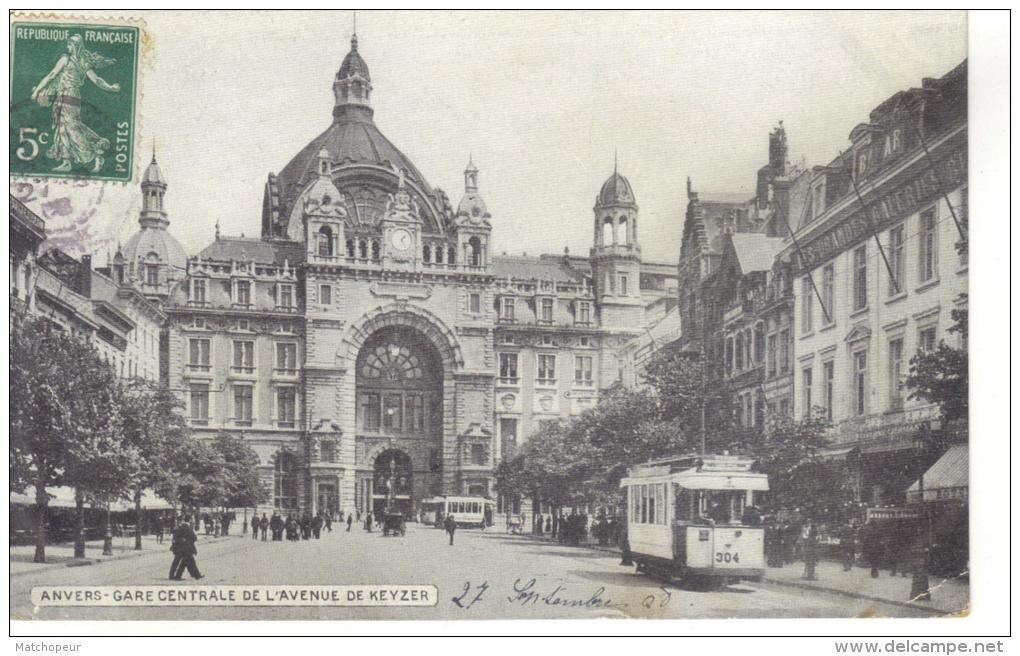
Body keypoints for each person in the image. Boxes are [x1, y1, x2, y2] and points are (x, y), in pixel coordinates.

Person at [29, 34, 121, 173]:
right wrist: (110, 87)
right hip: (67, 95)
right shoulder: (83, 62)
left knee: (72, 128)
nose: (67, 47)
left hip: (68, 95)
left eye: (70, 44)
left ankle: (97, 152)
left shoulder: (66, 59)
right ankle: (67, 162)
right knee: (63, 128)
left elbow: (51, 75)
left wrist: (37, 91)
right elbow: (97, 80)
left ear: (76, 46)